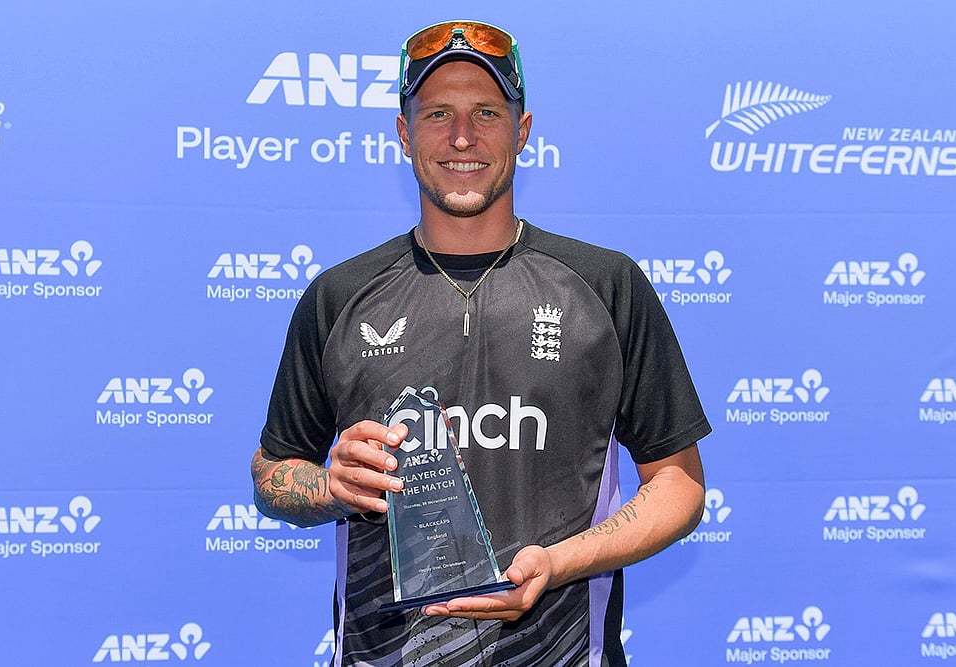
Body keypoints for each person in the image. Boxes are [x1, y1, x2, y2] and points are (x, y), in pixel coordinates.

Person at [252, 19, 711, 666]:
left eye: (486, 113)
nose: (462, 137)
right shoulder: (338, 295)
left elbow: (679, 485)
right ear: (403, 132)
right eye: (437, 113)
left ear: (522, 131)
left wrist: (557, 562)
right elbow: (274, 470)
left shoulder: (607, 285)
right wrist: (329, 485)